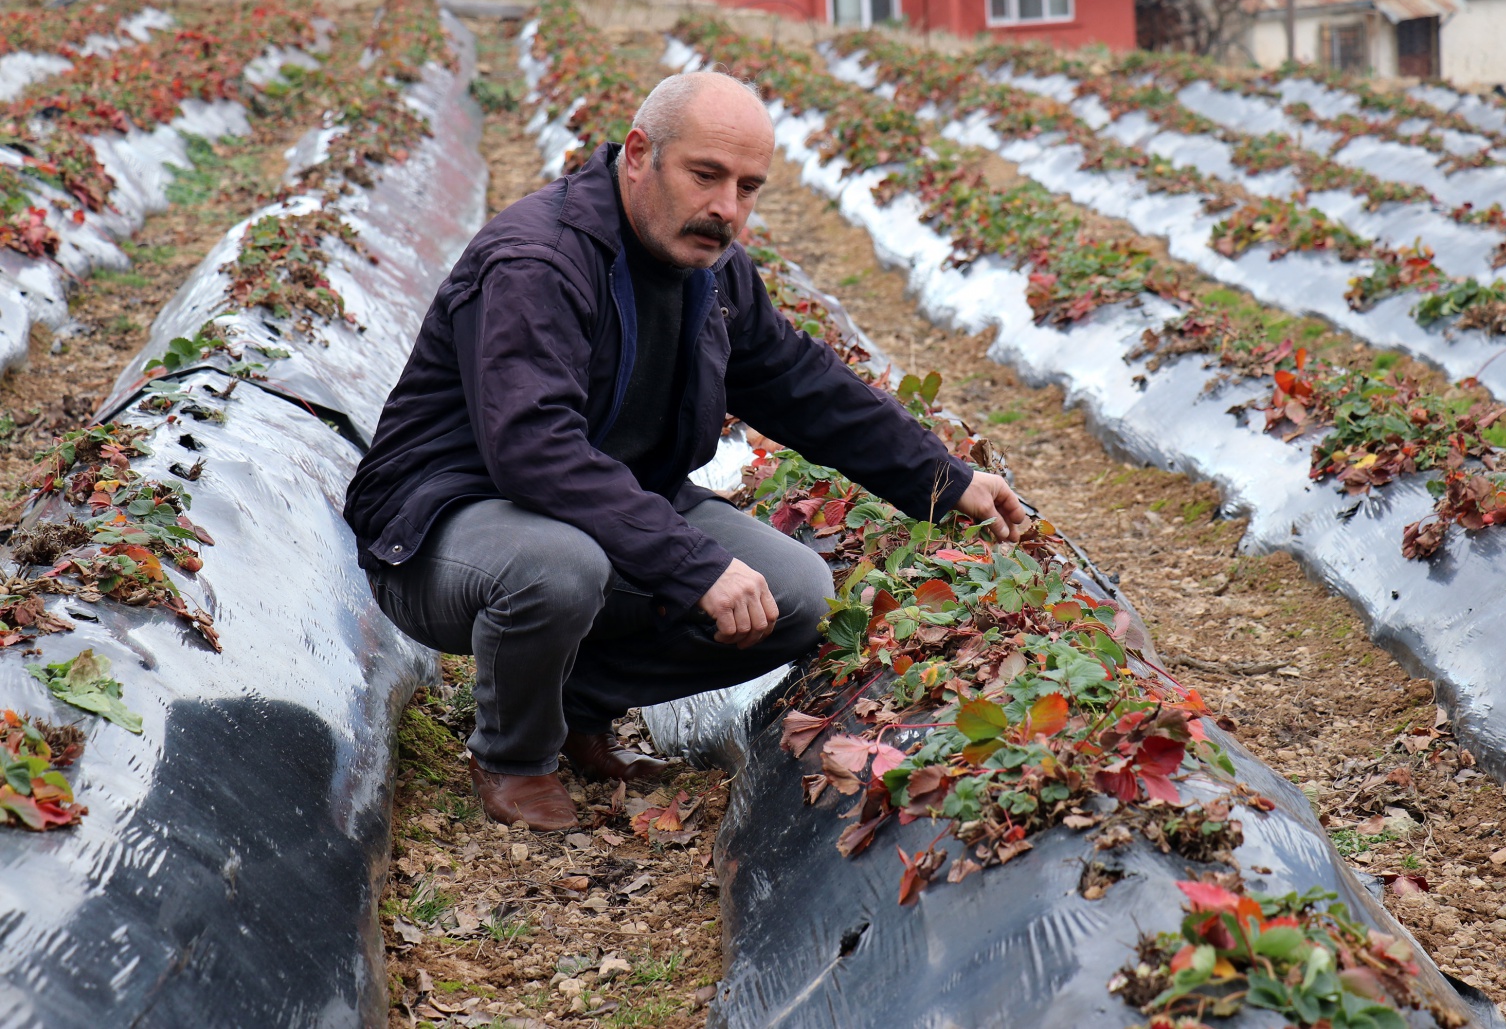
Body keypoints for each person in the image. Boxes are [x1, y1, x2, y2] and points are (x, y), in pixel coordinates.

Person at [343, 70, 1028, 831]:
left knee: (797, 594)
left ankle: (575, 703)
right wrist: (694, 564)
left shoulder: (712, 266)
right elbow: (534, 451)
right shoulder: (539, 261)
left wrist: (944, 478)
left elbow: (799, 381)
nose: (726, 208)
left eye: (748, 186)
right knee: (560, 567)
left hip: (606, 504)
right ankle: (513, 755)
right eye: (707, 175)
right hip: (448, 522)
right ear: (639, 154)